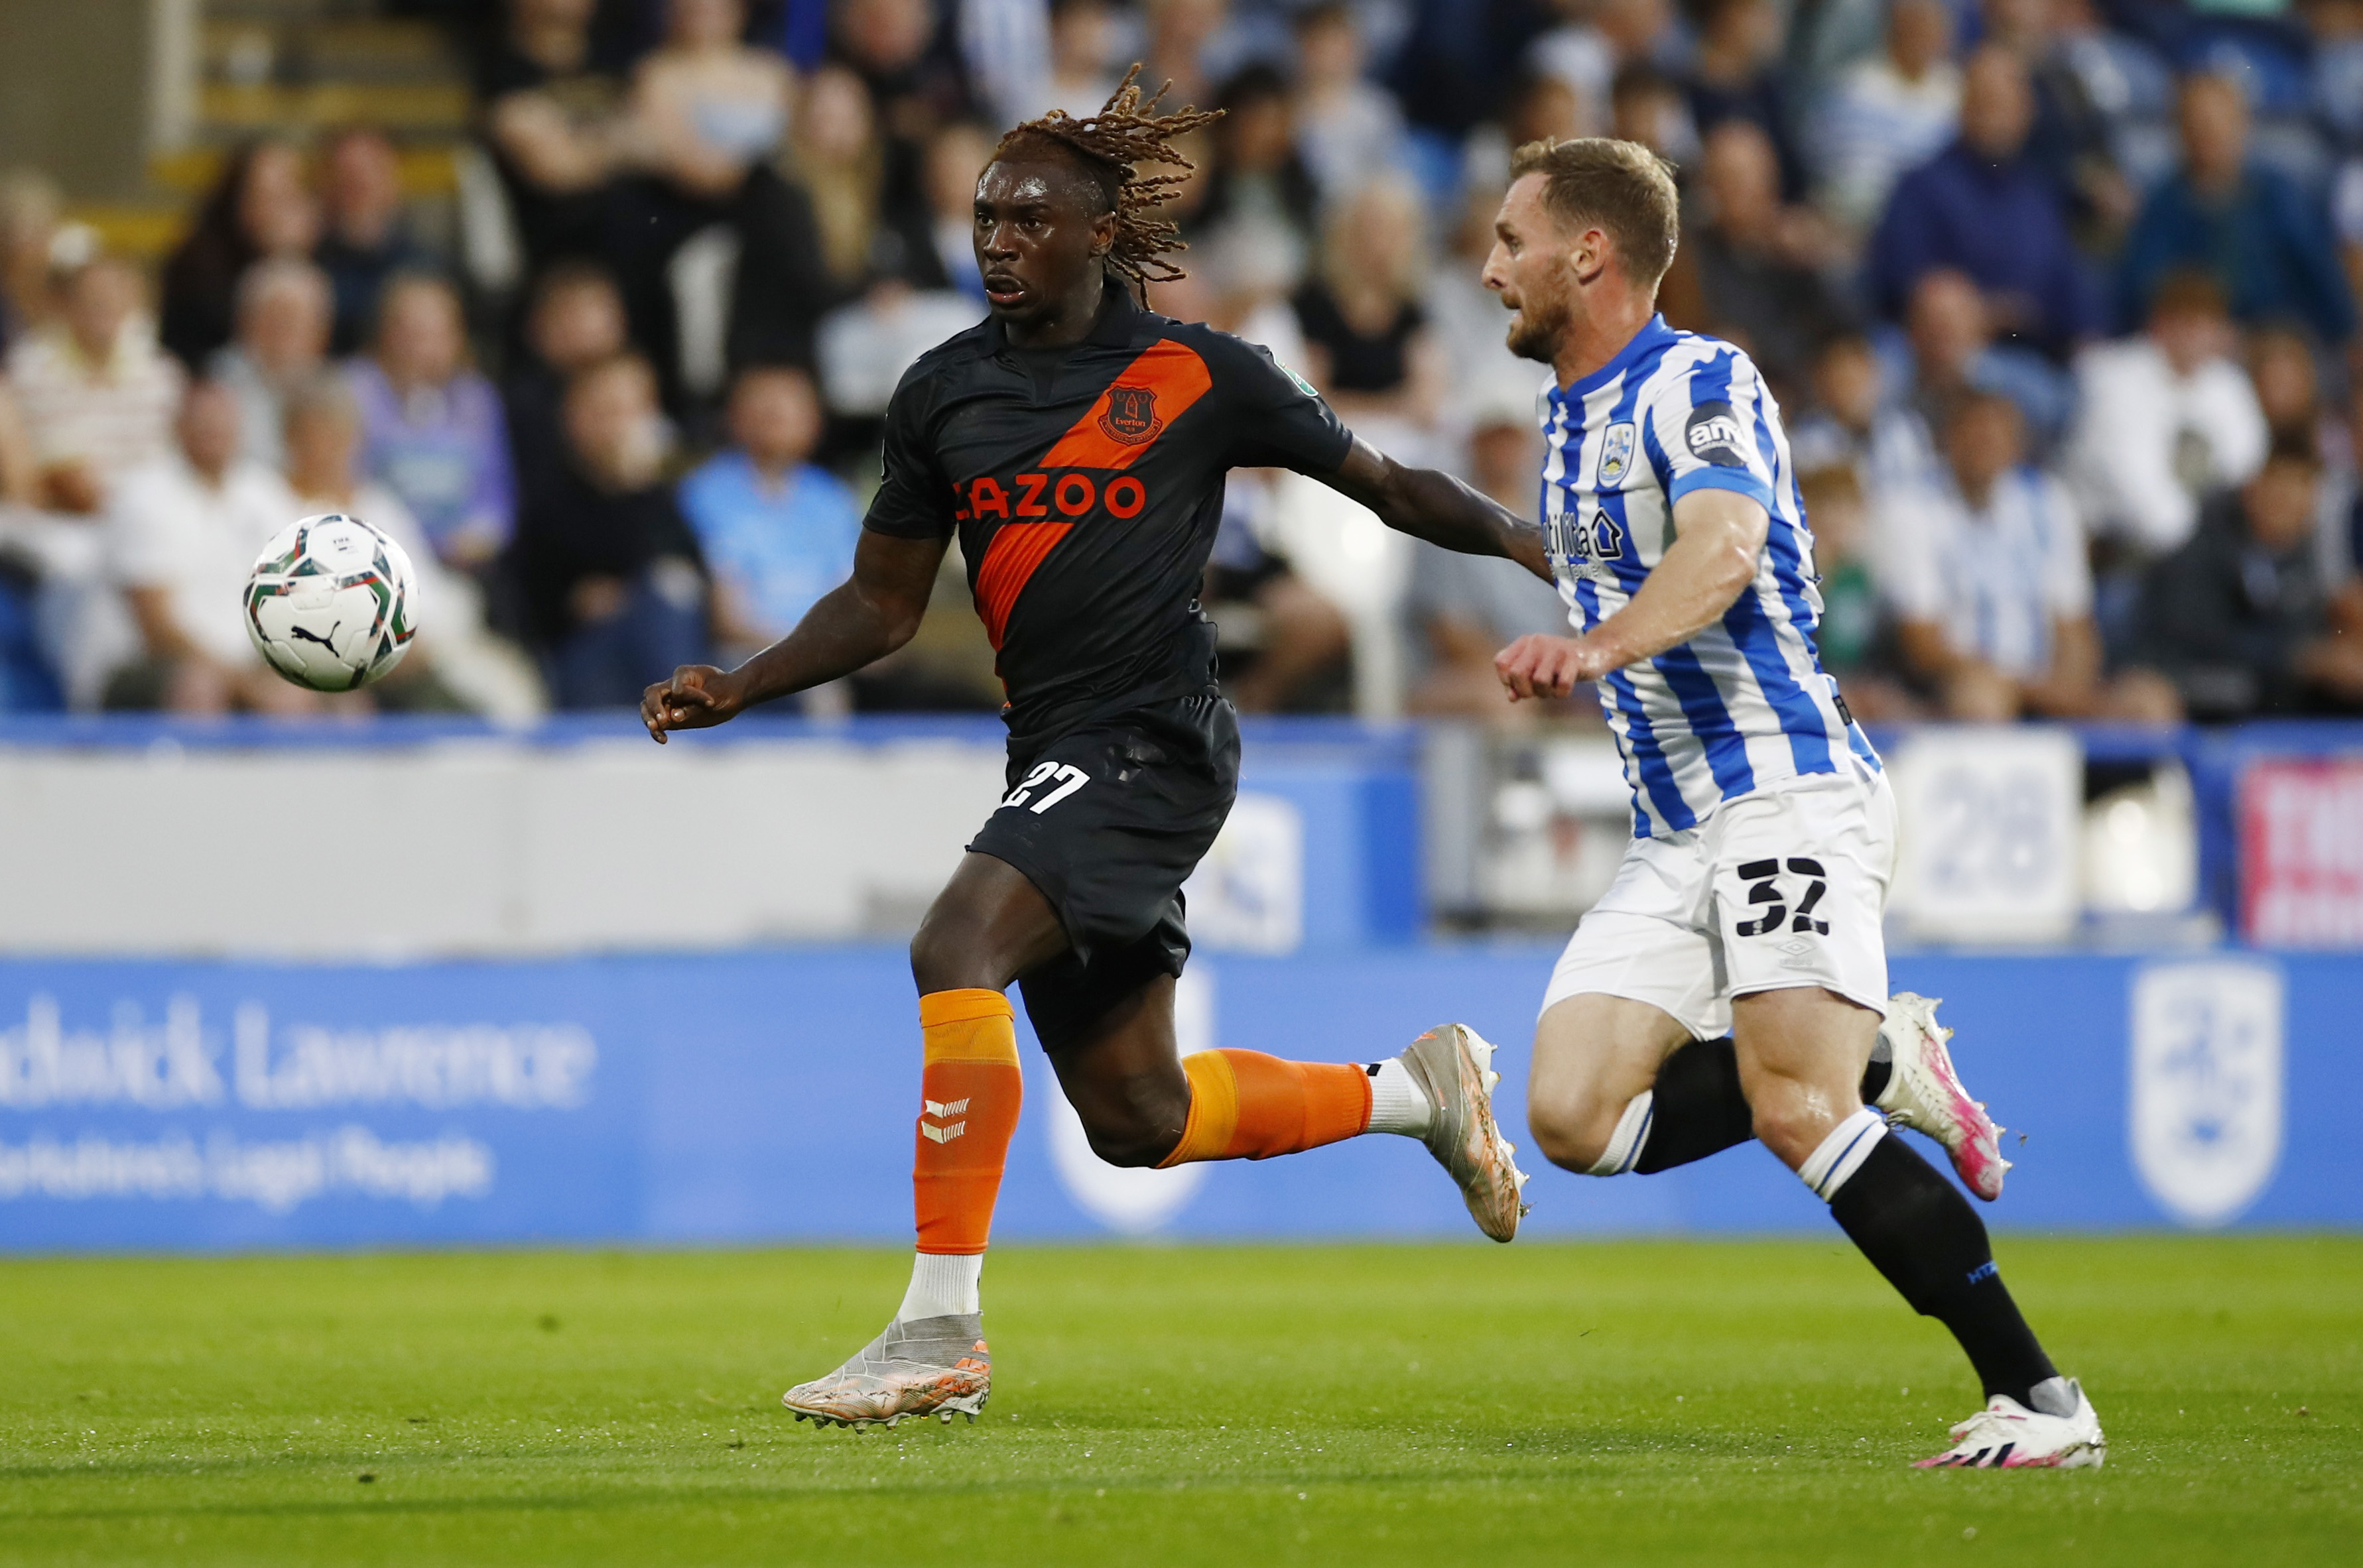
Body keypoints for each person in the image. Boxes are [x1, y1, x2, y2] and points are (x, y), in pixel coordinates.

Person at [641, 69, 1553, 1427]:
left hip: (1156, 737)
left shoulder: (1194, 373)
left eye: (1024, 221)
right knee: (1137, 1117)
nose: (995, 242)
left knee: (952, 945)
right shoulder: (939, 393)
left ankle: (936, 1330)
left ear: (1094, 233)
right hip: (1053, 750)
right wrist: (745, 680)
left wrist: (1540, 547)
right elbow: (883, 605)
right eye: (982, 219)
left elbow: (1386, 483)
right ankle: (1412, 1092)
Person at [1481, 135, 2105, 1467]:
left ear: (1586, 251)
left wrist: (1595, 647)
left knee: (1793, 1111)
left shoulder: (1698, 380)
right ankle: (1880, 1049)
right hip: (1672, 831)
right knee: (1572, 1116)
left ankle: (2040, 1400)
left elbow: (1718, 550)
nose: (1489, 270)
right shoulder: (1561, 421)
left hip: (1782, 790)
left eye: (1507, 240)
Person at [1864, 44, 2096, 359]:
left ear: (2027, 114)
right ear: (1963, 107)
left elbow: (2069, 291)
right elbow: (1901, 283)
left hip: (2039, 355)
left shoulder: (2039, 193)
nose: (1997, 118)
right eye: (1986, 103)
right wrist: (1983, 313)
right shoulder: (1922, 186)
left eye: (2007, 105)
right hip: (1947, 357)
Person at [103, 379, 318, 715]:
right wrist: (246, 685)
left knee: (334, 689)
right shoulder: (143, 495)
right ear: (178, 427)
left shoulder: (265, 493)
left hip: (249, 662)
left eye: (222, 423)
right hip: (149, 665)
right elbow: (157, 628)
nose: (213, 432)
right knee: (200, 688)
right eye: (203, 423)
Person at [519, 352, 709, 707]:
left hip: (661, 645)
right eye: (606, 411)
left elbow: (690, 571)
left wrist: (639, 488)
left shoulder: (658, 494)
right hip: (580, 656)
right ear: (572, 417)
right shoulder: (548, 494)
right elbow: (546, 593)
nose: (619, 426)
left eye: (631, 411)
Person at [2134, 434, 2363, 719]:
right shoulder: (2200, 556)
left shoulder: (2312, 565)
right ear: (2252, 489)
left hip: (2285, 704)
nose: (2287, 504)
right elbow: (2199, 644)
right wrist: (2299, 659)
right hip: (2207, 702)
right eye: (2279, 490)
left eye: (2301, 491)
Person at [2115, 73, 2356, 344]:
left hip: (2279, 342)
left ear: (2242, 126)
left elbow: (2320, 277)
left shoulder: (2278, 196)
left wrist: (2347, 334)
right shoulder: (2163, 206)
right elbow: (2144, 290)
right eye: (2196, 125)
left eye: (2218, 124)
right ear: (2180, 132)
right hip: (2198, 346)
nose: (2208, 135)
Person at [2065, 271, 2267, 559]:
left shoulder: (2230, 385)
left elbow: (2246, 467)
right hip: (2113, 549)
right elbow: (2135, 485)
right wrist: (2199, 552)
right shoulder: (2113, 378)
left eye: (2207, 325)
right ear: (2158, 324)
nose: (2196, 336)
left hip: (2200, 553)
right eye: (2186, 324)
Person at [677, 364, 863, 671]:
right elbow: (728, 619)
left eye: (789, 411)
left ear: (815, 422)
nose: (777, 420)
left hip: (835, 658)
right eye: (765, 410)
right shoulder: (704, 493)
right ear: (734, 419)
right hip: (747, 661)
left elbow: (853, 601)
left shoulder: (832, 498)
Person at [349, 272, 516, 573]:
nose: (421, 346)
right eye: (410, 332)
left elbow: (495, 500)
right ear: (383, 332)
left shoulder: (476, 399)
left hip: (460, 563)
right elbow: (346, 485)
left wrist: (475, 538)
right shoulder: (353, 392)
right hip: (373, 560)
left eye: (435, 333)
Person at [6, 253, 184, 516]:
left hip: (149, 512)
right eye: (94, 298)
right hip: (60, 520)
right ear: (67, 305)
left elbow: (170, 461)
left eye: (115, 297)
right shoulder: (31, 369)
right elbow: (61, 475)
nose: (105, 305)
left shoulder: (162, 374)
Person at [1685, 120, 1852, 394]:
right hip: (1743, 396)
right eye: (1725, 180)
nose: (1737, 192)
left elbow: (1845, 326)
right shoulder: (1693, 256)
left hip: (1814, 392)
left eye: (1747, 179)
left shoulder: (1796, 251)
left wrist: (1818, 259)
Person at [158, 139, 320, 371]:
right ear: (237, 198)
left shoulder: (322, 256)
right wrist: (282, 258)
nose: (277, 211)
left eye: (288, 196)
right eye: (264, 196)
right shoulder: (198, 267)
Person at [1813, 0, 1961, 234]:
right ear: (1892, 28)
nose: (1920, 36)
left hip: (1930, 231)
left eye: (1928, 27)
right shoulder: (1853, 88)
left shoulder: (1958, 96)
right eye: (1912, 24)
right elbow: (1823, 168)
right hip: (1850, 226)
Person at [316, 127, 434, 357]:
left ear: (393, 178)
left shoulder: (425, 264)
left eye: (369, 174)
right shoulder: (309, 261)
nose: (360, 188)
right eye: (348, 178)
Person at [208, 257, 334, 471]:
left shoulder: (333, 392)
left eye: (295, 319)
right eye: (274, 316)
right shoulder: (218, 384)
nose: (283, 331)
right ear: (246, 322)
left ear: (321, 332)